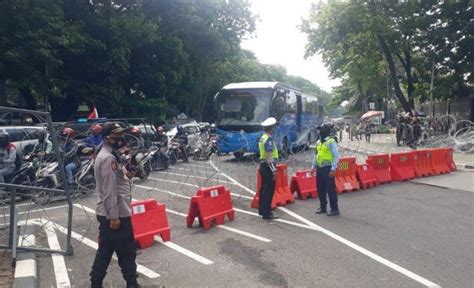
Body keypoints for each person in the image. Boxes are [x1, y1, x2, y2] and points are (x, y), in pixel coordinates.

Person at [90, 122, 139, 288]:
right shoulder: (108, 158)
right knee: (127, 251)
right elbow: (109, 190)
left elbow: (118, 179)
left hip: (111, 212)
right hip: (115, 213)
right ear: (107, 138)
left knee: (106, 250)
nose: (120, 138)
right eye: (117, 135)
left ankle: (96, 283)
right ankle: (131, 284)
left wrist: (127, 173)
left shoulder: (112, 155)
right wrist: (114, 217)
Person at [311, 123, 340, 216]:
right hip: (320, 168)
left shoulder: (331, 142)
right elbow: (316, 155)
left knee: (330, 189)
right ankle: (323, 207)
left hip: (328, 168)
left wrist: (333, 169)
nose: (320, 132)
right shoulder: (318, 142)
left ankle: (334, 209)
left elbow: (336, 156)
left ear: (325, 131)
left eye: (321, 130)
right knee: (320, 189)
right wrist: (313, 167)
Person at [258, 117, 279, 220]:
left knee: (264, 189)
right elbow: (269, 156)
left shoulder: (262, 137)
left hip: (263, 165)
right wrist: (274, 170)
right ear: (271, 128)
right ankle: (267, 213)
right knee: (268, 190)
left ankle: (262, 210)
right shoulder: (268, 139)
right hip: (268, 166)